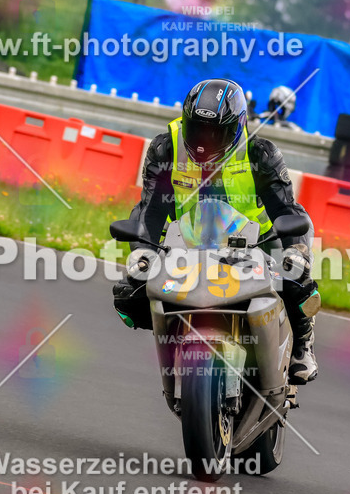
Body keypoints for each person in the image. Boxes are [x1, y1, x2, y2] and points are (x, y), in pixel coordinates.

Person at [112, 78, 321, 385]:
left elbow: (286, 208)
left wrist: (295, 250)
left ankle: (303, 344)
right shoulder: (166, 148)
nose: (204, 141)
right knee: (129, 295)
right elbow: (151, 208)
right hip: (190, 242)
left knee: (296, 279)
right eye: (197, 129)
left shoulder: (260, 154)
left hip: (260, 243)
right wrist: (143, 252)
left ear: (236, 127)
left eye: (215, 132)